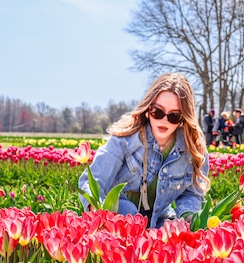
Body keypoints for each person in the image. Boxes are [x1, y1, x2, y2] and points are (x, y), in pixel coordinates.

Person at [78, 72, 210, 228]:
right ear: (148, 110)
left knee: (173, 232)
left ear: (183, 118)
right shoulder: (125, 139)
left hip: (159, 216)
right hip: (119, 215)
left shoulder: (192, 149)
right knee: (129, 213)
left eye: (174, 116)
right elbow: (94, 180)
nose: (164, 120)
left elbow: (191, 194)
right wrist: (96, 209)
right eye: (157, 112)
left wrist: (188, 216)